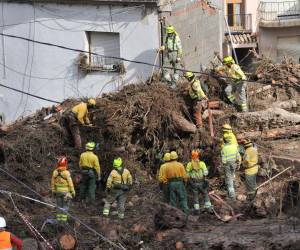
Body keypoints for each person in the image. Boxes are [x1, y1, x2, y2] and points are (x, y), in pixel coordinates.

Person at [186, 150, 213, 214]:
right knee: (205, 194)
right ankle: (208, 208)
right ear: (198, 156)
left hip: (194, 183)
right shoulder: (202, 163)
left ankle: (197, 210)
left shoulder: (189, 164)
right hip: (202, 182)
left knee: (195, 196)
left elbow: (187, 175)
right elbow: (206, 173)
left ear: (191, 156)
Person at [51, 156, 75, 223]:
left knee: (59, 206)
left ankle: (58, 220)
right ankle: (63, 221)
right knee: (65, 206)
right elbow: (70, 183)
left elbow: (52, 183)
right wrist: (73, 191)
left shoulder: (55, 172)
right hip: (66, 193)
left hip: (57, 192)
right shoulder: (66, 173)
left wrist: (53, 190)